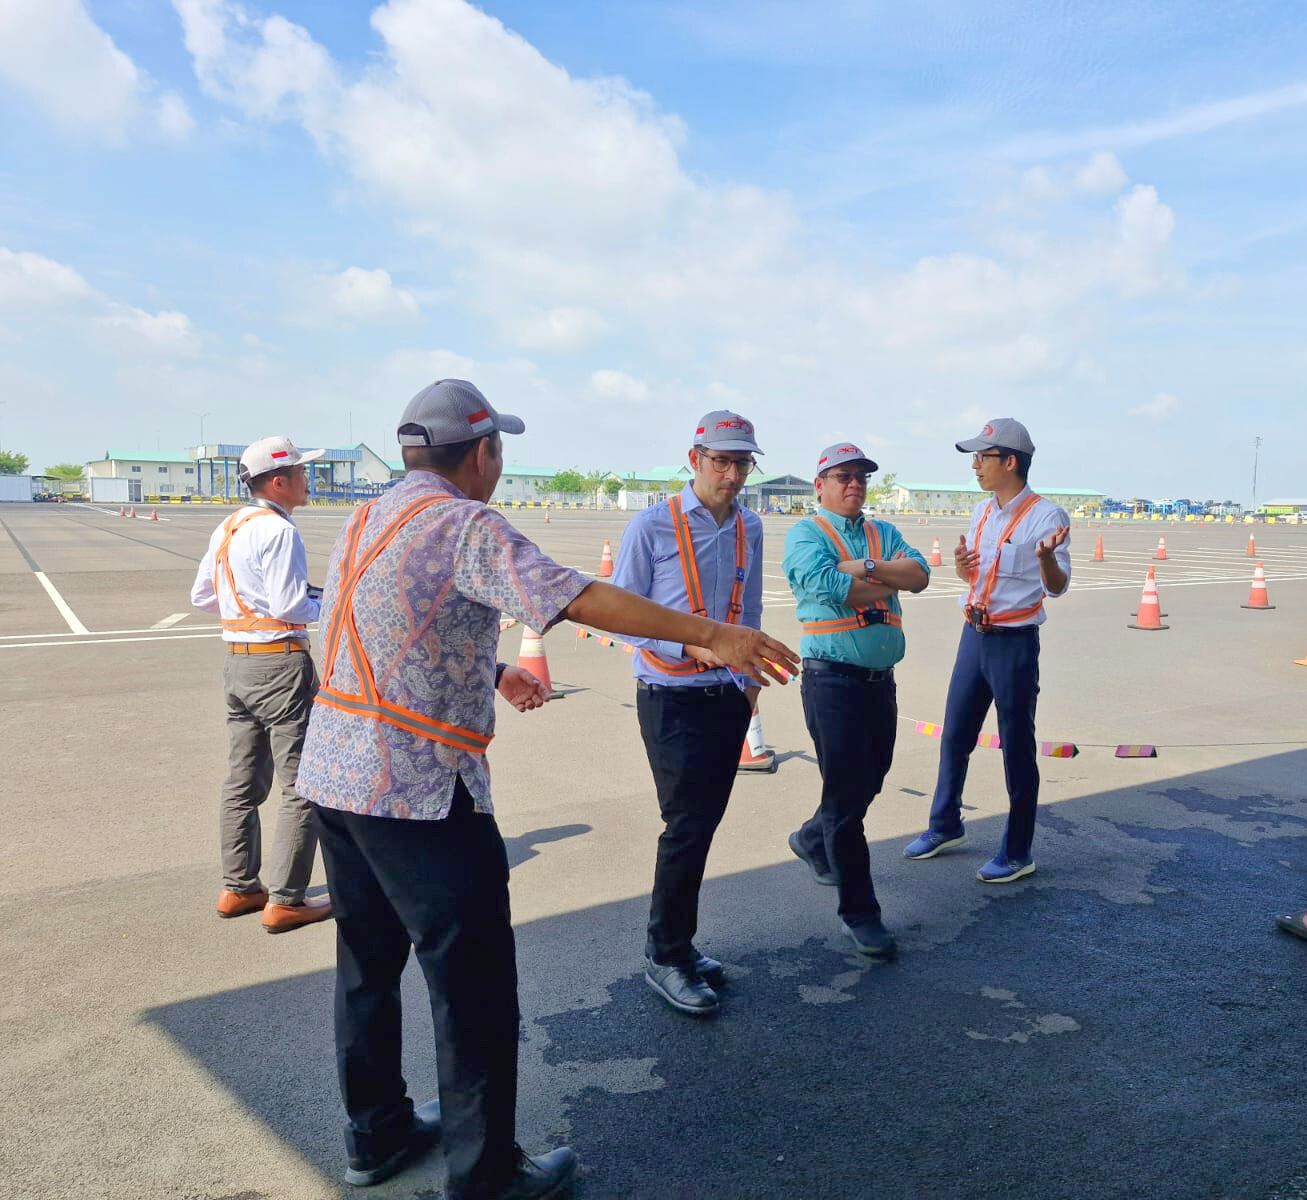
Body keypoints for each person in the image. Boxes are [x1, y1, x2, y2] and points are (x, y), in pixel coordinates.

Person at [298, 381, 797, 1200]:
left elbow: (368, 622)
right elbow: (573, 594)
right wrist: (713, 632)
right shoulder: (464, 522)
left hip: (336, 776)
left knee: (367, 965)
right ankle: (487, 1175)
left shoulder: (367, 515)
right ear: (484, 451)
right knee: (473, 986)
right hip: (419, 788)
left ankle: (376, 1130)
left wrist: (489, 666)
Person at [611, 410, 769, 1016]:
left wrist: (749, 685)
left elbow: (749, 611)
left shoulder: (749, 526)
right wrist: (691, 646)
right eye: (721, 461)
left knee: (703, 824)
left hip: (727, 695)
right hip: (670, 695)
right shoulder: (652, 525)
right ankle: (666, 953)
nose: (732, 474)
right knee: (684, 825)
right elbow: (620, 616)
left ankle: (680, 943)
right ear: (695, 459)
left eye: (742, 463)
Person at [903, 418, 1070, 884]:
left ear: (1010, 462)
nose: (975, 465)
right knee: (955, 734)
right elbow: (975, 576)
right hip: (973, 635)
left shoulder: (1046, 517)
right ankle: (945, 825)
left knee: (1016, 747)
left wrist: (1045, 560)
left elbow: (1057, 587)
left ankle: (1017, 852)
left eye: (983, 456)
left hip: (1013, 643)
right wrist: (962, 567)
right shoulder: (981, 513)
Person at [783, 443, 928, 958]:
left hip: (879, 681)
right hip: (832, 682)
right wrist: (884, 578)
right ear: (819, 484)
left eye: (861, 477)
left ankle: (810, 837)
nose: (854, 485)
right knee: (847, 799)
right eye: (843, 476)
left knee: (872, 777)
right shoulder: (806, 533)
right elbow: (827, 586)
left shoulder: (882, 531)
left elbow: (920, 575)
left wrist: (863, 568)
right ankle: (860, 913)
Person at [190, 435, 333, 934]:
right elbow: (291, 605)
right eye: (301, 471)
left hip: (238, 663)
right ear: (278, 481)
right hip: (280, 664)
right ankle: (287, 899)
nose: (308, 478)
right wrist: (333, 604)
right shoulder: (279, 531)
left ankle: (239, 887)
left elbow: (202, 595)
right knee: (302, 784)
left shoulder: (230, 525)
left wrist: (245, 610)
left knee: (242, 782)